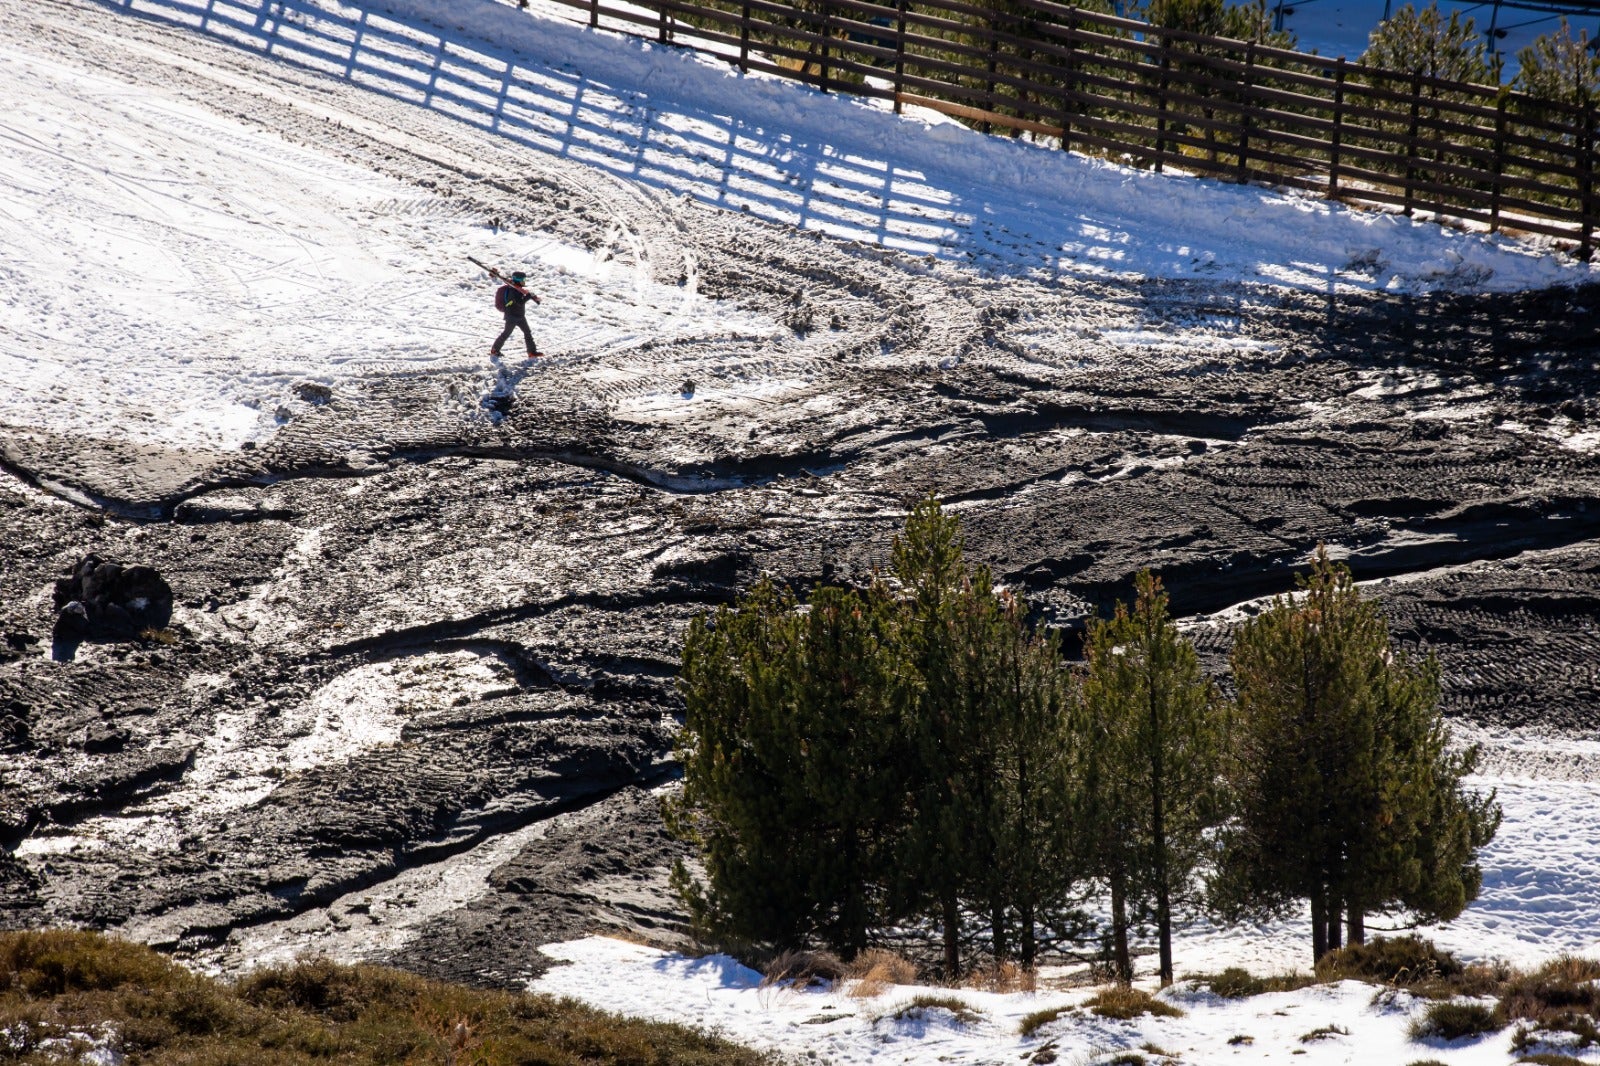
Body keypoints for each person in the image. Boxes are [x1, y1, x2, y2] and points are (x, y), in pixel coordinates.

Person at [490, 270, 541, 358]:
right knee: (506, 333)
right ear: (518, 280)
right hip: (511, 316)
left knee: (527, 332)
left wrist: (530, 296)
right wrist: (528, 296)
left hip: (520, 316)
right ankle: (495, 350)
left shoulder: (518, 289)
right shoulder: (512, 290)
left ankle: (532, 352)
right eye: (523, 279)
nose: (524, 281)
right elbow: (519, 302)